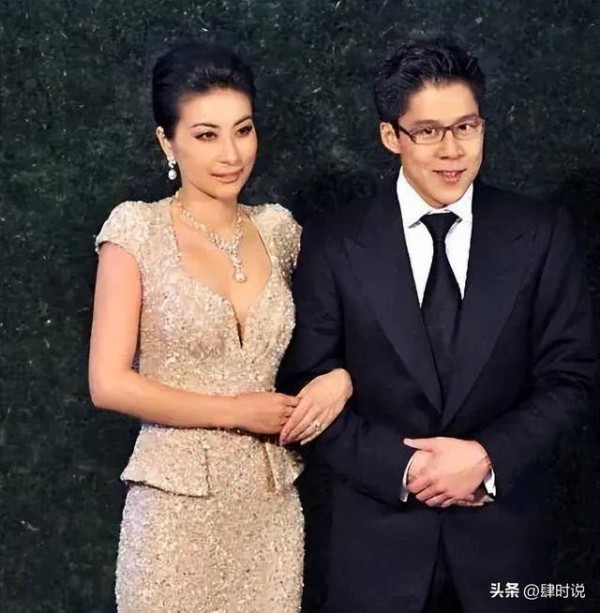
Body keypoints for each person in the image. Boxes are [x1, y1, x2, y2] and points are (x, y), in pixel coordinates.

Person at [277, 38, 597, 612]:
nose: (452, 150)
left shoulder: (540, 232)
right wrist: (409, 468)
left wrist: (487, 457)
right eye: (427, 131)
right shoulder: (333, 241)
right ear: (391, 135)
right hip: (376, 554)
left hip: (509, 553)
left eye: (466, 127)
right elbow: (305, 389)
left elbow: (573, 378)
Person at [88, 41, 352, 613]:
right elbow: (108, 383)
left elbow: (344, 334)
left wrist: (341, 378)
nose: (231, 154)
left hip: (269, 505)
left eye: (243, 130)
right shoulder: (136, 230)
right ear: (168, 142)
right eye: (206, 135)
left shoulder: (280, 231)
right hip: (172, 511)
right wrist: (236, 410)